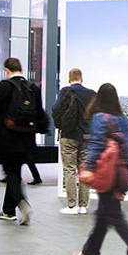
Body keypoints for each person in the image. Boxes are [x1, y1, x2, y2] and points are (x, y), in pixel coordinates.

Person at [73, 83, 128, 255]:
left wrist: (89, 168)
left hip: (109, 173)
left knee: (114, 215)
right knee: (103, 215)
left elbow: (97, 145)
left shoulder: (100, 117)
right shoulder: (123, 119)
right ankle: (90, 253)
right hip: (123, 172)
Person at [0, 58, 47, 225]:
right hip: (27, 138)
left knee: (11, 173)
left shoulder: (4, 86)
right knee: (15, 172)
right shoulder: (33, 88)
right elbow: (39, 114)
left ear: (7, 70)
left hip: (7, 138)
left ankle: (23, 204)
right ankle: (8, 211)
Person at [52, 68, 96, 215]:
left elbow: (56, 109)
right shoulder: (91, 94)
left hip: (69, 136)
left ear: (69, 79)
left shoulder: (65, 91)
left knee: (69, 170)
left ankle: (72, 205)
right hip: (87, 137)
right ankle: (83, 206)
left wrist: (60, 125)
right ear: (81, 78)